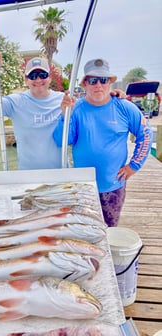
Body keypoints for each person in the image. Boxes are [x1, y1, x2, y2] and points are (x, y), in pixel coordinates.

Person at [0, 48, 125, 170]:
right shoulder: (16, 102)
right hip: (27, 175)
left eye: (43, 75)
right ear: (26, 80)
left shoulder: (64, 99)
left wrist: (110, 96)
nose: (38, 80)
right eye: (33, 76)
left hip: (61, 173)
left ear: (50, 78)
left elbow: (91, 104)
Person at [53, 58, 153, 227]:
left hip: (113, 187)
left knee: (109, 231)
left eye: (103, 80)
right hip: (83, 188)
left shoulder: (125, 107)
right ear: (85, 84)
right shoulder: (75, 109)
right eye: (93, 80)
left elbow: (146, 135)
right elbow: (61, 140)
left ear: (110, 83)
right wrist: (64, 115)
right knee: (84, 232)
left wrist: (133, 166)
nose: (98, 84)